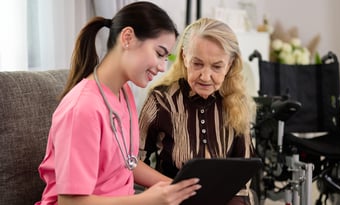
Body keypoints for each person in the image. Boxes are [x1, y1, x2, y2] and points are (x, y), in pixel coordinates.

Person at [35, 2, 201, 205]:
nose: (161, 67)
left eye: (167, 58)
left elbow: (128, 162)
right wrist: (146, 201)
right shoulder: (82, 109)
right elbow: (69, 202)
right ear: (128, 38)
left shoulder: (124, 92)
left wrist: (181, 188)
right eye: (159, 53)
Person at [139, 18, 257, 205]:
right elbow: (135, 162)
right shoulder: (161, 100)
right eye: (197, 63)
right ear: (184, 57)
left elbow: (242, 174)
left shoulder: (237, 101)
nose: (205, 76)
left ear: (230, 64)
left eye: (217, 66)